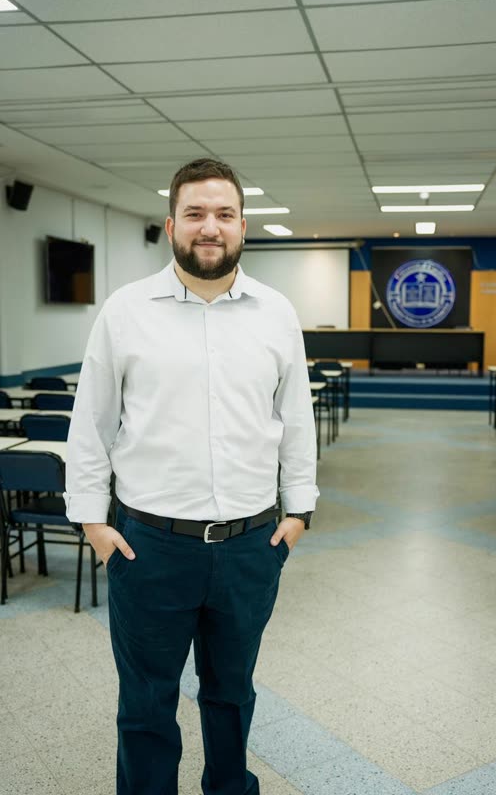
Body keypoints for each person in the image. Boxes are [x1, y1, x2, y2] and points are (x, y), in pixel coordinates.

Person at [64, 157, 319, 795]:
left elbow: (296, 419)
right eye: (197, 214)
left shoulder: (275, 312)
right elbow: (91, 423)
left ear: (242, 225)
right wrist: (94, 523)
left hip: (250, 545)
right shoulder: (126, 312)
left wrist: (299, 511)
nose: (211, 226)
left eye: (225, 214)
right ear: (172, 223)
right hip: (149, 546)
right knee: (147, 702)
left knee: (231, 693)